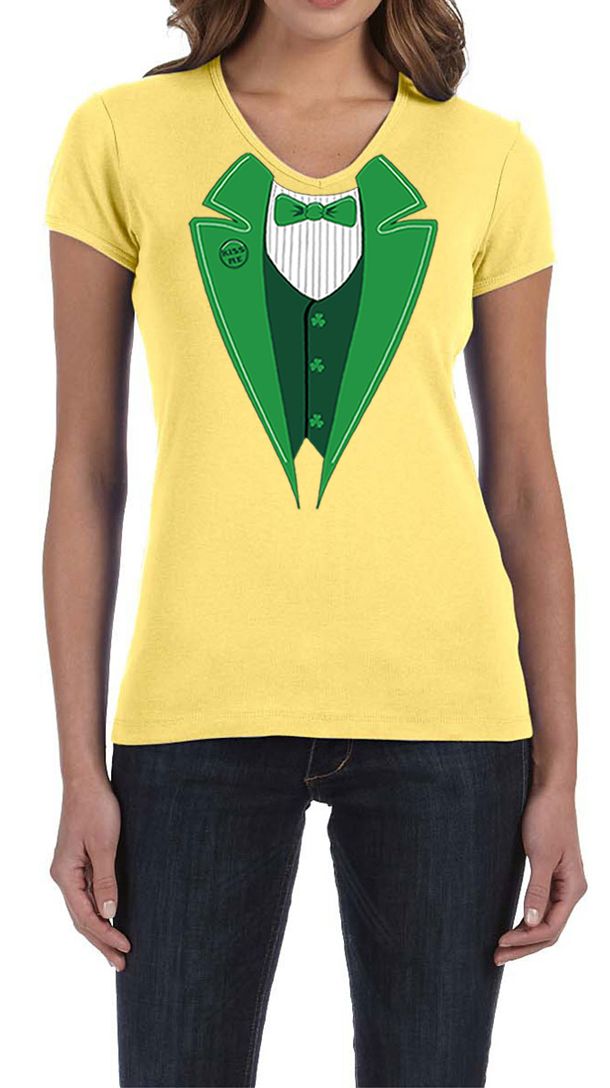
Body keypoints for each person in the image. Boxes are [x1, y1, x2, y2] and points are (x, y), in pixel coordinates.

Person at [44, 1, 587, 1085]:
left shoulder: (488, 158)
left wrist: (561, 772)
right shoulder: (119, 138)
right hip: (193, 717)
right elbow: (87, 470)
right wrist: (75, 767)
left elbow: (525, 485)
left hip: (450, 719)